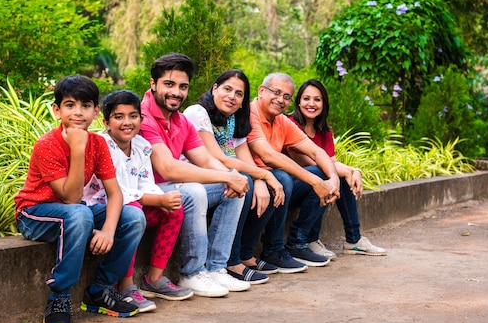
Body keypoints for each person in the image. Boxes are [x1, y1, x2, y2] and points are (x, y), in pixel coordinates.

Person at [14, 75, 146, 323]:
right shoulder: (47, 145)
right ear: (57, 110)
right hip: (34, 215)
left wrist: (108, 230)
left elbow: (115, 193)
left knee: (133, 218)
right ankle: (60, 298)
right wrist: (77, 148)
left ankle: (99, 291)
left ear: (96, 112)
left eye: (86, 105)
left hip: (73, 214)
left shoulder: (97, 143)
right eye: (70, 105)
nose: (78, 112)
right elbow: (71, 197)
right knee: (79, 214)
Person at [139, 53, 251, 297]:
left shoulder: (180, 120)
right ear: (153, 84)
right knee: (194, 191)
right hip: (145, 193)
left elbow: (206, 159)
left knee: (235, 190)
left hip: (172, 188)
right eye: (169, 84)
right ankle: (192, 272)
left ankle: (216, 268)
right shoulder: (143, 117)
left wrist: (229, 175)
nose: (176, 92)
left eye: (183, 87)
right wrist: (226, 177)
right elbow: (167, 168)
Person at [83, 90, 194, 314]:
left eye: (133, 116)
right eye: (118, 116)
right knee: (133, 212)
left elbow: (145, 182)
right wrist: (157, 198)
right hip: (101, 209)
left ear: (141, 120)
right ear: (105, 122)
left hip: (133, 203)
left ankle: (154, 278)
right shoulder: (101, 145)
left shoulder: (143, 146)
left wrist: (160, 201)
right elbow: (118, 192)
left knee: (173, 210)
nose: (127, 122)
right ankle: (125, 285)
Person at [183, 70, 286, 284]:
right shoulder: (197, 112)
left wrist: (261, 180)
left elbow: (244, 159)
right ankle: (227, 262)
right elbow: (219, 158)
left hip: (218, 180)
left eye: (239, 94)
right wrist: (264, 175)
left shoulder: (233, 121)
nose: (232, 96)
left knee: (260, 182)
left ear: (243, 102)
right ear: (214, 89)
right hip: (191, 181)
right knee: (242, 182)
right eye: (227, 89)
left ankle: (223, 265)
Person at [246, 73, 341, 269]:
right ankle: (272, 250)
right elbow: (268, 156)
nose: (281, 100)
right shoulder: (250, 112)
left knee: (320, 172)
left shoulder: (281, 121)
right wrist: (316, 183)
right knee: (282, 177)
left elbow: (317, 151)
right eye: (276, 93)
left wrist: (333, 180)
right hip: (252, 180)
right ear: (261, 91)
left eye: (287, 96)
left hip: (274, 184)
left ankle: (298, 242)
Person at [287, 79, 386, 257]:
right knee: (325, 173)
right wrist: (348, 171)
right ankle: (306, 239)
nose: (311, 104)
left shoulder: (324, 130)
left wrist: (354, 171)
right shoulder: (290, 124)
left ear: (323, 103)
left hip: (310, 185)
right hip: (290, 186)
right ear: (298, 101)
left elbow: (331, 161)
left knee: (337, 176)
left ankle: (353, 239)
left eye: (317, 99)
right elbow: (307, 162)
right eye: (306, 98)